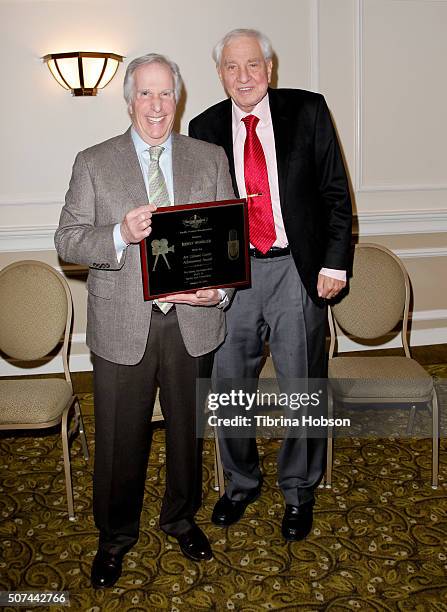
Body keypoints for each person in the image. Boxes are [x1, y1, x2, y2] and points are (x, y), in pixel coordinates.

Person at [55, 53, 234, 589]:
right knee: (118, 439)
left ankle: (181, 518)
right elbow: (67, 240)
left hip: (193, 322)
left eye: (165, 94)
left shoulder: (208, 157)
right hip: (121, 325)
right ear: (129, 100)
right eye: (145, 94)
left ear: (177, 99)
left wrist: (220, 290)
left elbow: (229, 239)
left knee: (187, 433)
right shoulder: (94, 161)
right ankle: (115, 537)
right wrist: (118, 234)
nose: (156, 105)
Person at [189, 29, 352, 541]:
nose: (244, 76)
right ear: (220, 74)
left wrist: (336, 263)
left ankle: (299, 489)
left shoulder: (308, 110)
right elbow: (197, 213)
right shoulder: (204, 126)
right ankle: (239, 484)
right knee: (228, 387)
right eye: (232, 67)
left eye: (253, 65)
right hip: (233, 277)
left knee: (302, 384)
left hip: (294, 270)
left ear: (270, 68)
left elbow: (334, 193)